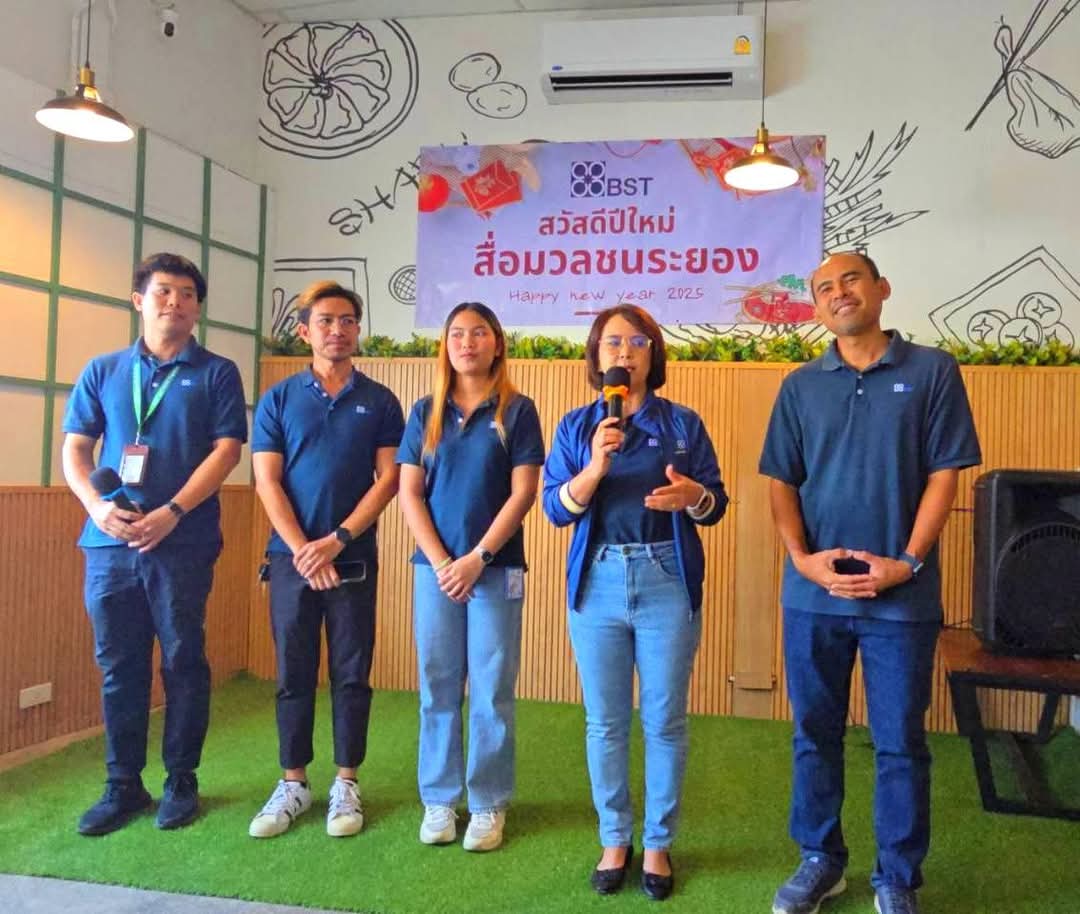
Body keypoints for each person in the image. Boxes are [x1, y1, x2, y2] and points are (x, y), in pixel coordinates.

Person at [760, 252, 981, 914]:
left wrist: (907, 562)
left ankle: (897, 878)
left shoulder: (933, 371)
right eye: (824, 287)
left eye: (851, 279)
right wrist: (802, 559)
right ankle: (820, 859)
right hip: (813, 596)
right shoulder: (800, 385)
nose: (839, 292)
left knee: (900, 743)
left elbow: (945, 474)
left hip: (902, 599)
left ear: (881, 288)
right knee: (814, 733)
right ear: (817, 307)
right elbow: (781, 481)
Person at [542, 303, 728, 901]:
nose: (624, 352)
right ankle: (614, 839)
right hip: (596, 582)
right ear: (597, 356)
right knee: (605, 721)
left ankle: (657, 844)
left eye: (637, 342)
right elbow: (554, 509)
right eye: (612, 342)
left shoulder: (683, 424)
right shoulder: (578, 427)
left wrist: (694, 496)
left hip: (665, 577)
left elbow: (716, 506)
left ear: (653, 353)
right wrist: (595, 467)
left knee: (665, 720)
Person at [62, 252, 247, 835]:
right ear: (138, 300)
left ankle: (181, 780)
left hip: (182, 541)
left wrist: (173, 512)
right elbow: (76, 449)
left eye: (188, 294)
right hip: (109, 544)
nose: (176, 302)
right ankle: (122, 785)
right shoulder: (104, 370)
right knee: (118, 665)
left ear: (198, 309)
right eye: (164, 291)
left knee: (183, 659)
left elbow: (227, 451)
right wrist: (97, 508)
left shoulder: (217, 372)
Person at [248, 281, 404, 839]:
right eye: (326, 321)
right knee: (293, 672)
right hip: (290, 559)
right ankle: (293, 782)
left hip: (352, 558)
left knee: (351, 673)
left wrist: (337, 540)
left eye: (347, 321)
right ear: (304, 331)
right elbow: (267, 480)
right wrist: (303, 550)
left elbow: (389, 479)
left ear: (358, 330)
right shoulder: (278, 398)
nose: (337, 330)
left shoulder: (380, 401)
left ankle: (345, 782)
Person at [396, 302, 544, 852]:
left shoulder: (518, 411)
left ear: (496, 343)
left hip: (495, 569)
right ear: (446, 345)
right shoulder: (424, 412)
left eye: (478, 333)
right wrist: (442, 563)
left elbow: (523, 493)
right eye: (456, 333)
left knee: (492, 688)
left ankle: (487, 803)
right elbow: (409, 493)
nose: (467, 342)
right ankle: (440, 799)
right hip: (435, 573)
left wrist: (478, 557)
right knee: (438, 685)